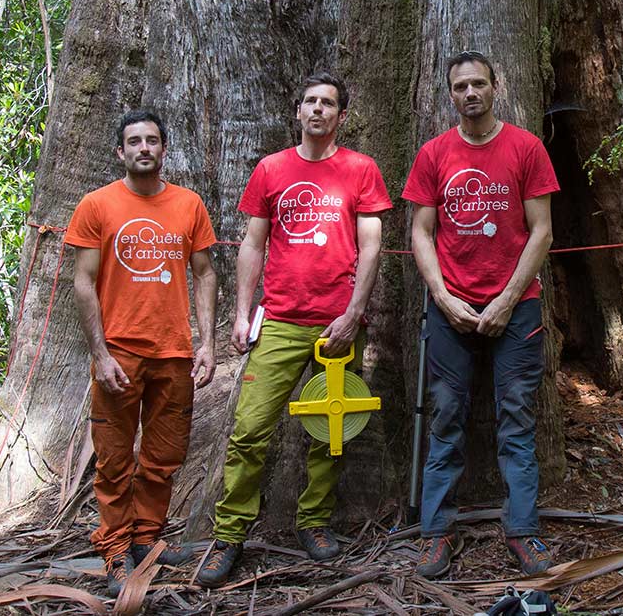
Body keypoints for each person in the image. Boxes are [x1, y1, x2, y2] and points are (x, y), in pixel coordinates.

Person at [195, 73, 393, 588]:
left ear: (341, 116)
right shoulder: (271, 169)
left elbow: (371, 245)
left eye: (328, 103)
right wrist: (241, 313)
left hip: (339, 325)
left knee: (333, 429)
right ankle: (230, 533)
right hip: (280, 321)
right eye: (310, 101)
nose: (318, 110)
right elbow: (252, 246)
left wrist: (354, 313)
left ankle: (314, 521)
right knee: (249, 429)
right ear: (297, 110)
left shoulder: (360, 169)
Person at [402, 51, 560, 579]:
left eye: (478, 84)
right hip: (451, 309)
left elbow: (543, 231)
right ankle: (435, 533)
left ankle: (523, 530)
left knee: (516, 417)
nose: (469, 93)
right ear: (449, 94)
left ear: (496, 87)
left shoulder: (526, 148)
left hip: (516, 309)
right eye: (459, 87)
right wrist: (445, 298)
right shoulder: (433, 154)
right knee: (445, 418)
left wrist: (506, 299)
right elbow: (420, 232)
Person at [65, 108, 218, 598]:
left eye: (152, 140)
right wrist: (100, 353)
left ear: (164, 148)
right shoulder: (97, 204)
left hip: (174, 352)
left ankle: (147, 539)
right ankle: (114, 548)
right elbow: (83, 282)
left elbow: (206, 273)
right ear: (121, 151)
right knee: (113, 461)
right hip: (119, 354)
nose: (144, 148)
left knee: (163, 457)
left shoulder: (189, 204)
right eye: (135, 142)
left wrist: (208, 343)